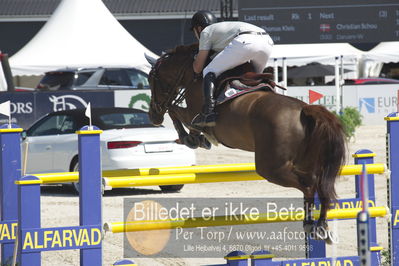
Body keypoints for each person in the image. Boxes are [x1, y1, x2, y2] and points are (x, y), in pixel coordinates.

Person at [190, 10, 274, 127]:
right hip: (267, 41)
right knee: (254, 78)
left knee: (208, 71)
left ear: (198, 28)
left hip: (246, 41)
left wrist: (195, 59)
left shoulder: (205, 32)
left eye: (194, 32)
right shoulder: (223, 30)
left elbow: (198, 68)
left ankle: (208, 113)